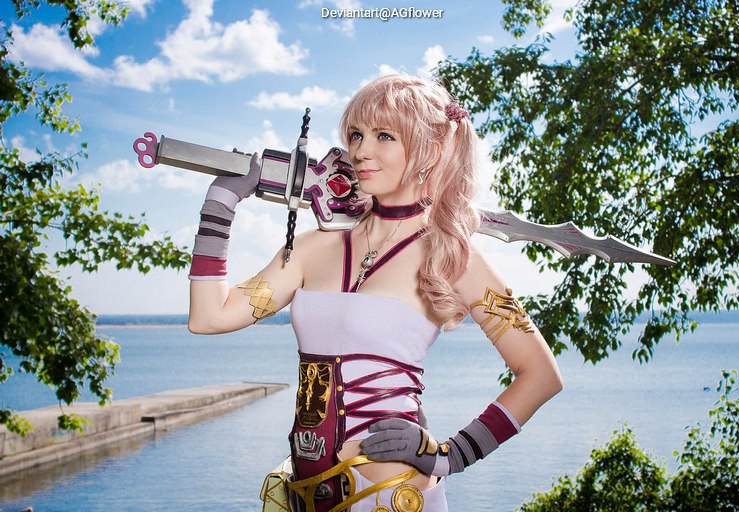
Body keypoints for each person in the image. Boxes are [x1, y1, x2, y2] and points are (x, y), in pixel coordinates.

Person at [187, 74, 563, 512]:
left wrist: (448, 455)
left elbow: (540, 375)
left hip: (390, 493)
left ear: (432, 149)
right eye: (356, 134)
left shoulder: (452, 254)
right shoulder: (311, 246)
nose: (361, 150)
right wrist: (220, 205)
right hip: (308, 496)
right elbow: (209, 317)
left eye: (384, 136)